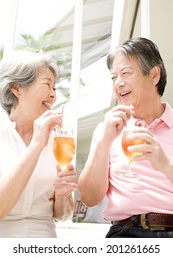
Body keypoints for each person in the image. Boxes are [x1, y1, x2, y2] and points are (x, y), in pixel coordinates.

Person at [78, 37, 173, 238]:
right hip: (125, 234)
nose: (118, 83)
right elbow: (89, 198)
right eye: (114, 77)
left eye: (126, 73)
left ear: (154, 75)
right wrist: (104, 142)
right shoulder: (107, 129)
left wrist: (164, 163)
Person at [0, 50, 78, 238]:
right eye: (47, 85)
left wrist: (62, 195)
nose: (53, 96)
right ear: (17, 88)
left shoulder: (58, 142)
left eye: (55, 89)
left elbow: (63, 215)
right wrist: (36, 145)